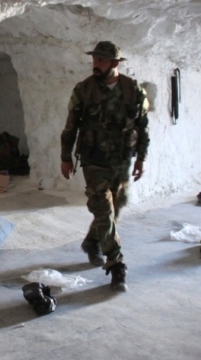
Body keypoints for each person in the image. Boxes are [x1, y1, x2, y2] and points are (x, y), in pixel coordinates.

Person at [59, 41, 150, 292]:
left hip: (121, 158)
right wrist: (65, 157)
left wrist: (141, 157)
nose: (95, 64)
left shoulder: (133, 90)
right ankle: (116, 263)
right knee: (102, 206)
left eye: (101, 60)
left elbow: (142, 126)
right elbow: (71, 126)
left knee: (117, 204)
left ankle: (92, 241)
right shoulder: (84, 89)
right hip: (93, 158)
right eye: (94, 59)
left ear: (115, 63)